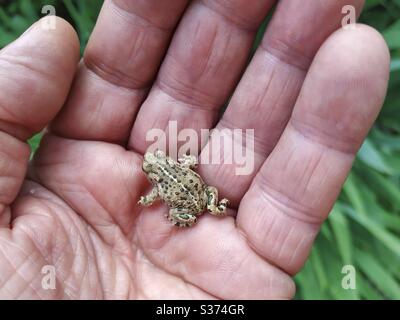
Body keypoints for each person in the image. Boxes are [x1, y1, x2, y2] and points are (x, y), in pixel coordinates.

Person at [0, 0, 390, 299]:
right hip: (197, 193)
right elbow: (178, 169)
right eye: (152, 164)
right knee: (199, 200)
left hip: (194, 194)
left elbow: (163, 185)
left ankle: (201, 211)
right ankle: (205, 209)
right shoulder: (168, 167)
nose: (152, 163)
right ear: (156, 167)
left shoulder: (161, 174)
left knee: (194, 203)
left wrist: (161, 202)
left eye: (153, 163)